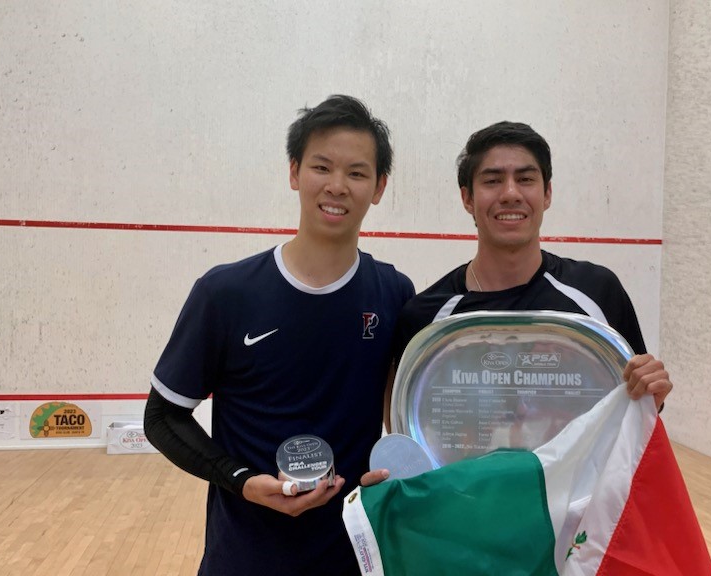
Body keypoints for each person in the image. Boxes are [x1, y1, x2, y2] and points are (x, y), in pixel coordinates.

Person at [144, 95, 414, 576]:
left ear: (378, 187)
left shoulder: (394, 293)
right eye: (321, 167)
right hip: (244, 558)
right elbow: (163, 418)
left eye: (356, 173)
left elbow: (404, 416)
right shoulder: (224, 292)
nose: (337, 186)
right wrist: (242, 480)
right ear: (294, 173)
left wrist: (394, 474)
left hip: (354, 557)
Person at [390, 121, 672, 420]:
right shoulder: (426, 318)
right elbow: (409, 430)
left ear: (547, 193)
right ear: (467, 199)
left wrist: (650, 391)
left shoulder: (598, 291)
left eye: (525, 179)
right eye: (492, 180)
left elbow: (637, 412)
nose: (511, 193)